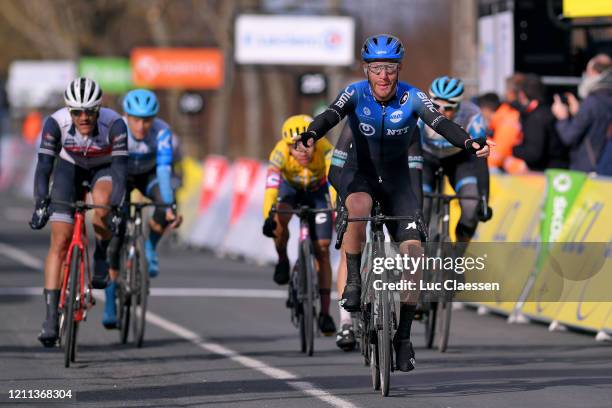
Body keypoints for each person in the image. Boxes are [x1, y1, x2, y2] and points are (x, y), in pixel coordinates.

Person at [297, 35, 492, 371]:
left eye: (389, 68)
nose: (383, 76)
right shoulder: (356, 92)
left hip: (398, 180)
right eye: (376, 68)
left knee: (414, 254)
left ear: (399, 68)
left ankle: (402, 336)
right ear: (366, 70)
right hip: (358, 174)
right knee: (357, 208)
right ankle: (356, 281)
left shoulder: (413, 96)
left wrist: (469, 142)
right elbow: (332, 114)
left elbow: (440, 123)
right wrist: (312, 134)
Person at [29, 77, 128, 347]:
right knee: (59, 240)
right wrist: (41, 201)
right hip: (68, 169)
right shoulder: (55, 123)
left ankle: (100, 254)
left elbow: (120, 171)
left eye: (89, 112)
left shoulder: (115, 124)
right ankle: (50, 317)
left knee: (103, 202)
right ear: (68, 110)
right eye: (77, 112)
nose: (83, 118)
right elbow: (44, 166)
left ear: (99, 109)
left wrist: (117, 207)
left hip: (103, 168)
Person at [103, 89, 182, 328]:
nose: (141, 125)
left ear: (154, 118)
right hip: (122, 176)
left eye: (147, 119)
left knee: (166, 203)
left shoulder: (162, 132)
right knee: (115, 238)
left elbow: (164, 171)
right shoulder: (117, 129)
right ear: (127, 116)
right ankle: (109, 298)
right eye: (136, 119)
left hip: (150, 176)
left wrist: (168, 206)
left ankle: (149, 245)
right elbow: (110, 169)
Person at [261, 114, 337, 336]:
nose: (302, 151)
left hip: (318, 191)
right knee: (278, 219)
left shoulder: (325, 148)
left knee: (322, 247)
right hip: (290, 189)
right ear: (287, 147)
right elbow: (271, 188)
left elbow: (334, 183)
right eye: (295, 147)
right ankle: (282, 259)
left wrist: (335, 208)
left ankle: (324, 313)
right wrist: (268, 217)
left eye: (307, 144)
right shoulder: (278, 153)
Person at [420, 76, 493, 244]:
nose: (441, 112)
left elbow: (481, 157)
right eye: (436, 106)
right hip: (427, 158)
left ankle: (457, 258)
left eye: (448, 107)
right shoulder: (420, 109)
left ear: (459, 105)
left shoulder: (472, 115)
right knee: (421, 206)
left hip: (458, 160)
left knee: (470, 207)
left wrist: (483, 199)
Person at [552, 53, 612, 173]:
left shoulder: (591, 102)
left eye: (588, 72)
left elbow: (569, 136)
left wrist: (562, 118)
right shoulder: (603, 99)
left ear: (595, 74)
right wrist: (578, 113)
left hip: (588, 169)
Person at [512, 74, 569, 171]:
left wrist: (512, 150)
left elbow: (534, 154)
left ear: (522, 94)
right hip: (558, 170)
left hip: (547, 173)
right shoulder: (547, 110)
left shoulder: (536, 117)